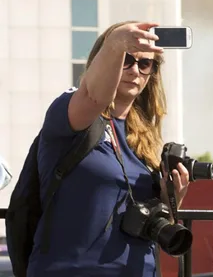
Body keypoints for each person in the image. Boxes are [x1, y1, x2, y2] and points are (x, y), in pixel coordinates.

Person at [27, 21, 190, 277]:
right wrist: (115, 42)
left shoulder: (146, 138)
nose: (134, 70)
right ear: (104, 60)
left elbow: (147, 219)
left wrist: (170, 199)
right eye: (126, 59)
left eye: (144, 63)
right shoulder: (72, 110)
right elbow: (95, 97)